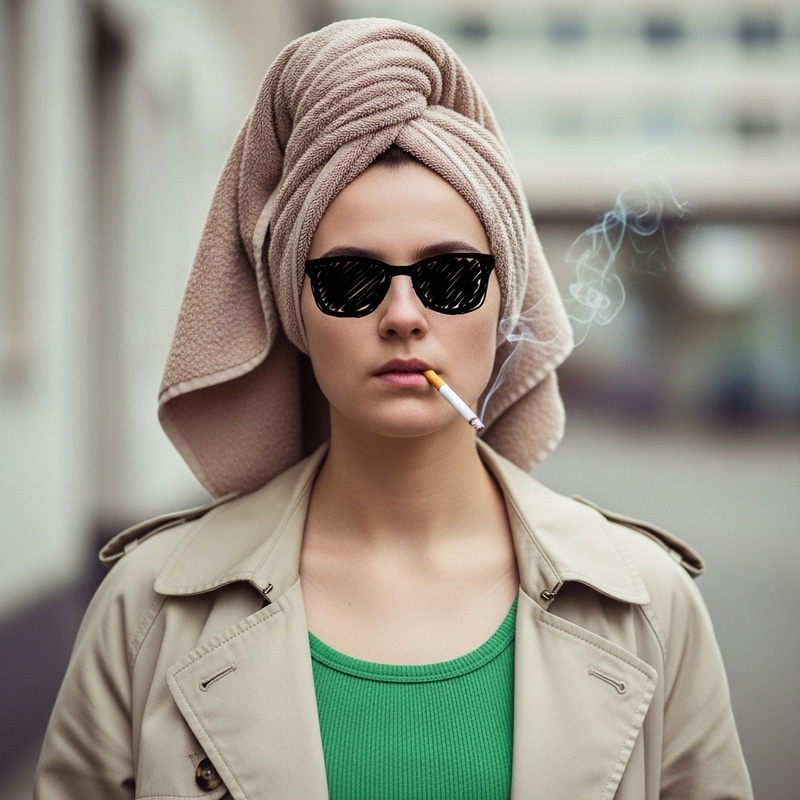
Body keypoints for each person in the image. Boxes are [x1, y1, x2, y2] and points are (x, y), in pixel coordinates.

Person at [34, 18, 753, 800]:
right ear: (297, 313)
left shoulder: (648, 604)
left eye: (450, 276)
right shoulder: (146, 611)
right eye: (351, 278)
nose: (405, 315)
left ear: (503, 303)